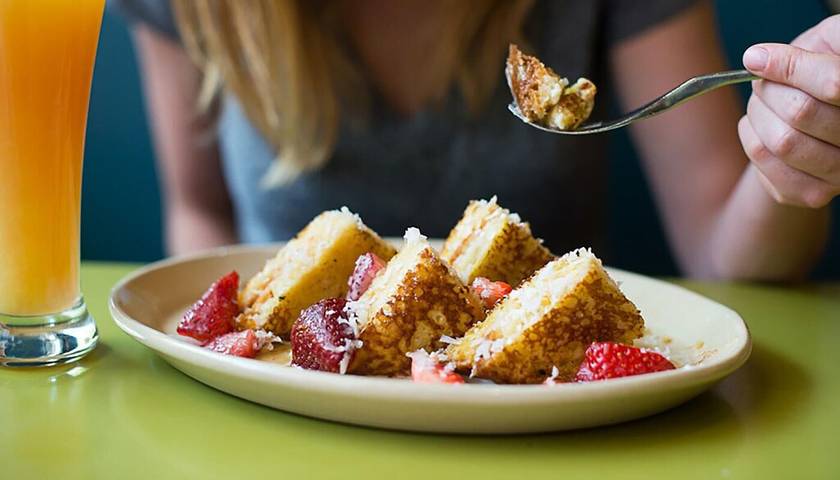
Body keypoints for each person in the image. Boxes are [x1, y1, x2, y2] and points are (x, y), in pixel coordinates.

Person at [115, 0, 839, 281]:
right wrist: (226, 348)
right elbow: (198, 210)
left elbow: (728, 257)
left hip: (555, 422)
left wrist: (793, 152)